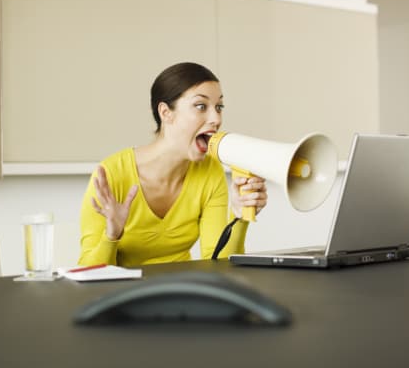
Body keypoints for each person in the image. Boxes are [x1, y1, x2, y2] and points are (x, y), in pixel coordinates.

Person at [78, 62, 268, 267]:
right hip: (126, 295)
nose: (216, 119)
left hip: (181, 293)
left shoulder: (210, 171)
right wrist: (111, 235)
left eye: (219, 107)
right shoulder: (112, 174)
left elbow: (218, 265)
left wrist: (239, 217)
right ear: (166, 112)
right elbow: (87, 273)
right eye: (201, 106)